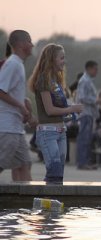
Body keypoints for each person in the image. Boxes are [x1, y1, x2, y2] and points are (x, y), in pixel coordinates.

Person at [28, 43, 83, 184]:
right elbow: (50, 110)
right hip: (48, 132)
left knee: (58, 174)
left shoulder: (56, 81)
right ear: (51, 59)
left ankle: (52, 203)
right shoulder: (43, 80)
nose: (64, 61)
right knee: (55, 172)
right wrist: (72, 109)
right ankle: (48, 202)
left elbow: (60, 108)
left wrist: (72, 110)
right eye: (61, 58)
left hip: (61, 132)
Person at [0, 30, 35, 181]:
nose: (32, 45)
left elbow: (12, 91)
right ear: (21, 44)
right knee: (2, 162)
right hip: (7, 127)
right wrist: (21, 106)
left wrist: (24, 102)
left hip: (16, 128)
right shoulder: (13, 64)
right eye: (29, 41)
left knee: (24, 164)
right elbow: (1, 91)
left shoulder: (18, 64)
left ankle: (26, 202)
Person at [75, 60, 99, 170]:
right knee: (84, 138)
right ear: (89, 68)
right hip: (85, 112)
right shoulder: (85, 81)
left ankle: (85, 161)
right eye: (95, 69)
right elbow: (82, 97)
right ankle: (82, 162)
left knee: (87, 138)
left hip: (88, 113)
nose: (96, 71)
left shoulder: (88, 80)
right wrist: (95, 100)